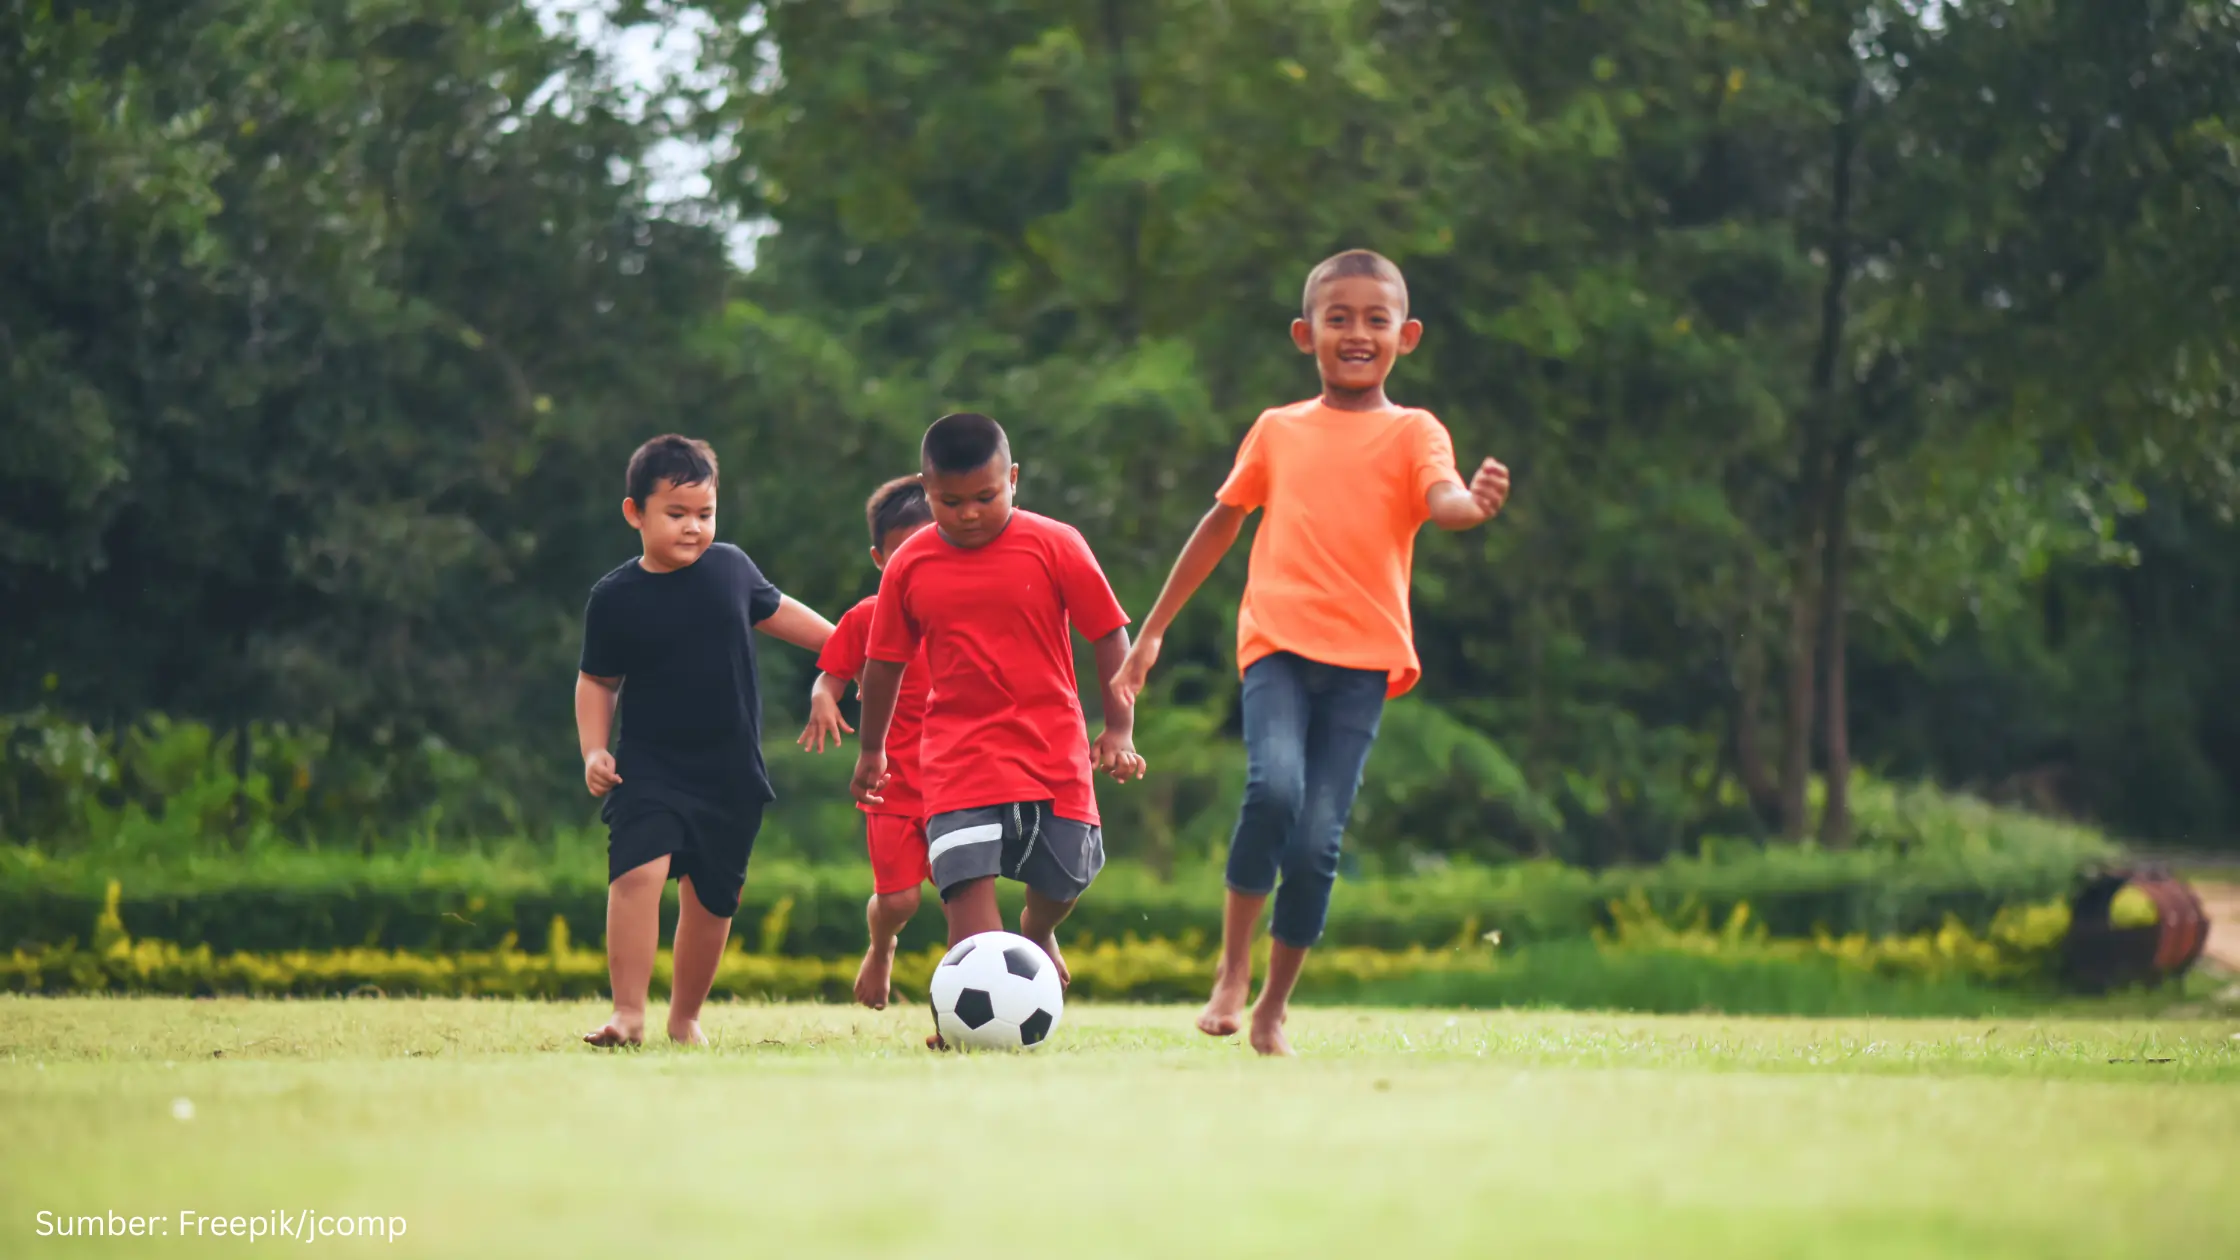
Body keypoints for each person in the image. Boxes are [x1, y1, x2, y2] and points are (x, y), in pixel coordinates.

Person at [1116, 249, 1512, 1056]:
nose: (1357, 333)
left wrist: (1470, 506)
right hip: (1278, 646)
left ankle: (1272, 1007)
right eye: (1339, 318)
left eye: (1375, 319)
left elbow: (1442, 497)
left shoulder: (1414, 431)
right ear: (1306, 334)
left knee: (1317, 839)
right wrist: (1152, 628)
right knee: (1273, 790)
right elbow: (1221, 522)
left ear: (1408, 334)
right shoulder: (1278, 429)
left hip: (1364, 661)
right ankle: (1231, 972)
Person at [848, 413, 1145, 1002]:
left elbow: (1109, 633)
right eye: (949, 501)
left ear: (1013, 478)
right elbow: (884, 663)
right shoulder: (911, 564)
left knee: (1066, 876)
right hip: (958, 756)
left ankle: (1037, 930)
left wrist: (1118, 727)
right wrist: (872, 748)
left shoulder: (1055, 543)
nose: (968, 513)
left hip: (1051, 745)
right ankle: (968, 1016)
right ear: (926, 488)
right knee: (965, 887)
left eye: (986, 496)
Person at [576, 435, 835, 1047]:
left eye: (705, 513)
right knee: (637, 874)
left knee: (713, 900)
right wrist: (593, 748)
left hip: (730, 774)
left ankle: (685, 1017)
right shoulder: (614, 598)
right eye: (676, 514)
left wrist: (854, 646)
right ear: (634, 513)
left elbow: (794, 619)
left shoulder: (731, 569)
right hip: (650, 768)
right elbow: (596, 682)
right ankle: (628, 1014)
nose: (694, 528)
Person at [798, 475, 938, 1010]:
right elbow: (830, 675)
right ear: (881, 559)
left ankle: (1028, 947)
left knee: (968, 894)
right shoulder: (865, 617)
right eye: (905, 552)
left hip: (962, 779)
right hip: (892, 784)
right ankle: (882, 947)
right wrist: (822, 699)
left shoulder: (966, 613)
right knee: (899, 899)